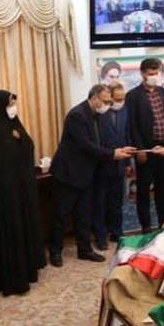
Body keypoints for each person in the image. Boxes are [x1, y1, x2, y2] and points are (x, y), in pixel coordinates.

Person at [48, 85, 135, 267]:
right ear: (94, 98)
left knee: (84, 213)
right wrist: (112, 154)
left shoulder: (98, 115)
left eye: (109, 101)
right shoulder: (77, 115)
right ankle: (55, 250)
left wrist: (119, 149)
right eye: (105, 101)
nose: (107, 105)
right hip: (68, 172)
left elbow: (103, 142)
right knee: (61, 214)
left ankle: (84, 250)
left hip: (87, 173)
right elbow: (86, 145)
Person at [0, 90, 46, 295]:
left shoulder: (15, 125)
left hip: (20, 191)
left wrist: (21, 139)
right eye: (9, 105)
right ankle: (9, 279)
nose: (13, 109)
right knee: (9, 233)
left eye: (14, 104)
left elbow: (29, 146)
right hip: (3, 195)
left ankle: (27, 269)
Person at [126, 58, 164, 231]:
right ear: (142, 74)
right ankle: (145, 226)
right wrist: (139, 149)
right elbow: (132, 124)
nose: (154, 76)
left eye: (156, 73)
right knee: (144, 190)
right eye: (150, 74)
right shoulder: (133, 95)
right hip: (146, 148)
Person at [92, 82, 131, 248]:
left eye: (122, 99)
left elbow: (127, 135)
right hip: (102, 163)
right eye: (117, 99)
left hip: (120, 164)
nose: (120, 102)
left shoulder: (125, 111)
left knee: (117, 201)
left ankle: (117, 232)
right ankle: (101, 237)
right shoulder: (100, 112)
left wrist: (127, 162)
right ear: (109, 98)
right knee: (100, 202)